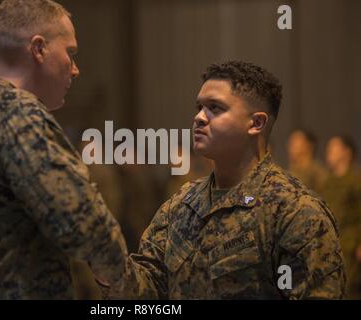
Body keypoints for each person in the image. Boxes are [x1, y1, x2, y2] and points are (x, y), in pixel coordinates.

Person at [0, 0, 127, 299]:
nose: (76, 69)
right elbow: (83, 222)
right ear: (39, 49)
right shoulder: (16, 111)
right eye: (70, 53)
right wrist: (126, 283)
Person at [113, 61, 346, 299]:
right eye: (199, 107)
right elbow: (144, 293)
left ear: (256, 123)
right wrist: (104, 245)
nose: (199, 118)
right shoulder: (181, 206)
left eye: (215, 108)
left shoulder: (294, 213)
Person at [323, 135, 361, 299]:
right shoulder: (328, 182)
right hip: (331, 246)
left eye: (333, 148)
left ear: (347, 152)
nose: (328, 152)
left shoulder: (355, 181)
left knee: (349, 288)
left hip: (351, 245)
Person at [287, 129, 329, 194]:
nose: (290, 145)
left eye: (295, 142)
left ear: (309, 145)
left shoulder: (318, 172)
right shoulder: (291, 171)